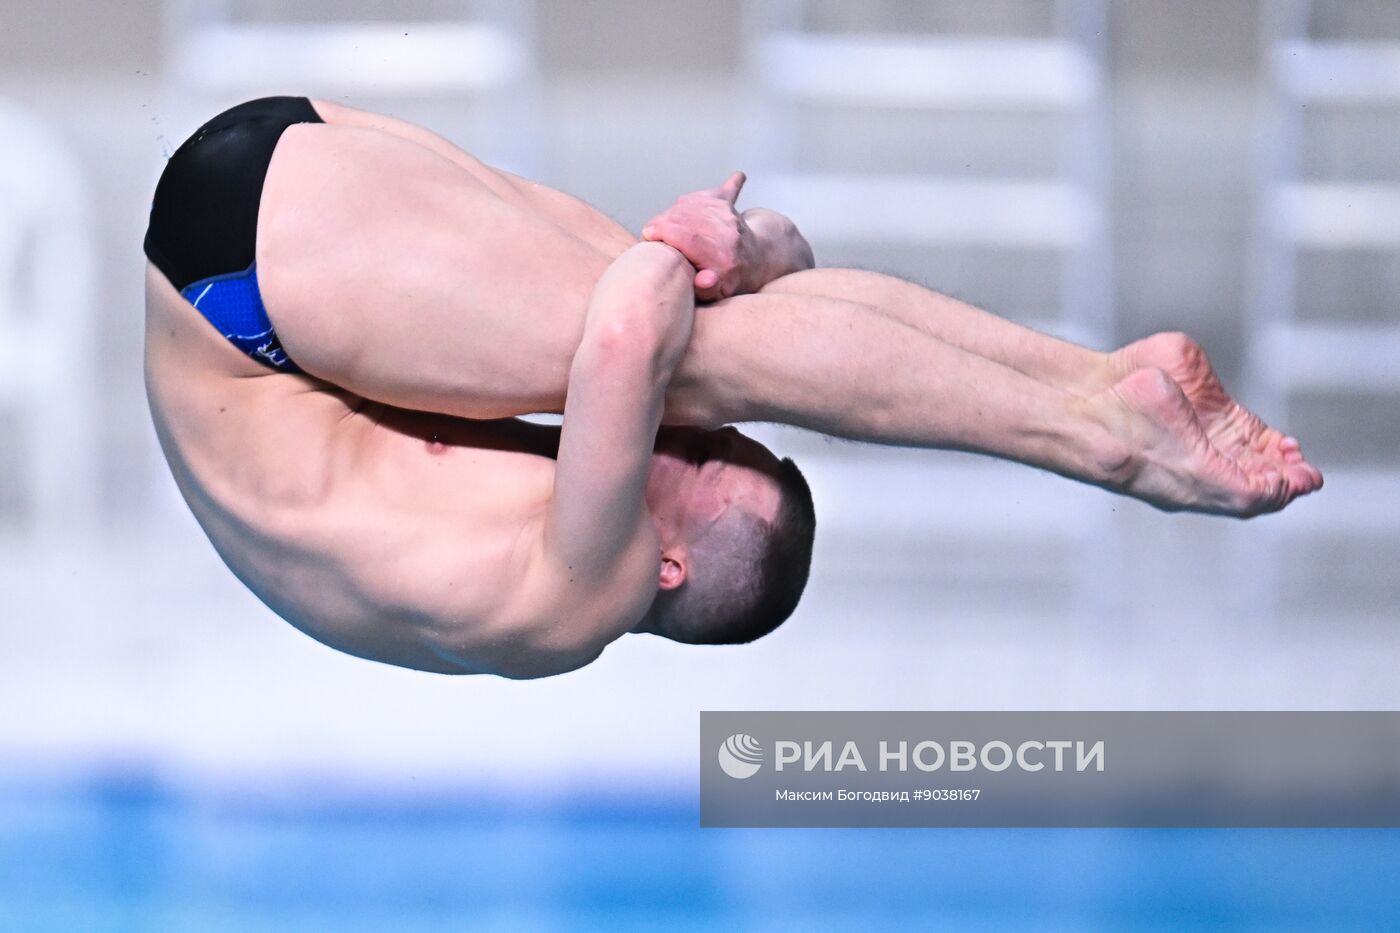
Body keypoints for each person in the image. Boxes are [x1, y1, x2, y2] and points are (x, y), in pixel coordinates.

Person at [143, 97, 1322, 677]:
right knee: (707, 325)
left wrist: (713, 244)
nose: (683, 437)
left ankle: (1109, 434)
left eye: (705, 464)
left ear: (668, 565)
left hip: (253, 288)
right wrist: (752, 247)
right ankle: (1108, 389)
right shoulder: (592, 545)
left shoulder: (574, 601)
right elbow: (694, 297)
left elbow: (631, 341)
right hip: (261, 253)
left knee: (689, 351)